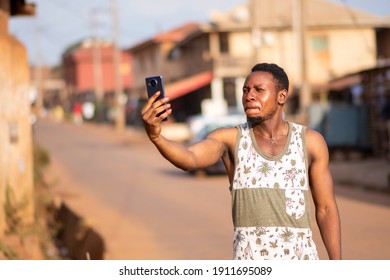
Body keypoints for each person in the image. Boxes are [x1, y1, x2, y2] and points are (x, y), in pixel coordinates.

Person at [141, 63, 341, 260]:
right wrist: (156, 137)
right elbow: (189, 158)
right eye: (245, 90)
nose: (249, 96)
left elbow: (326, 209)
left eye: (258, 90)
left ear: (282, 96)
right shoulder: (230, 139)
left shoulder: (310, 142)